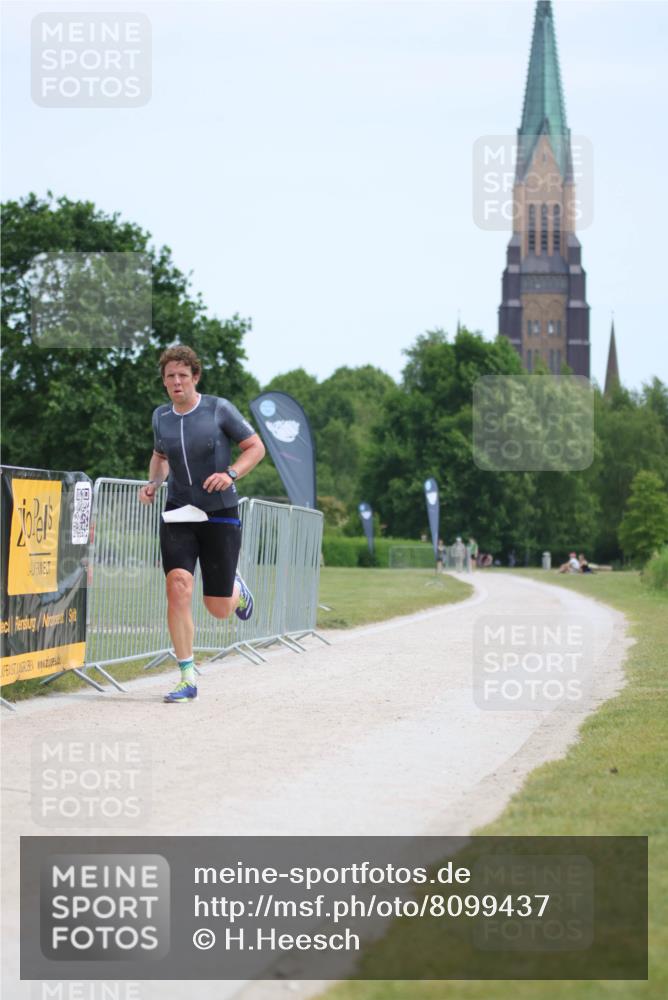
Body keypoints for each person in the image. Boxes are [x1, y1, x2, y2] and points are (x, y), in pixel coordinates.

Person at [138, 345, 265, 703]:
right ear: (164, 382)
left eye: (183, 375)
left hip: (219, 512)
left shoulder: (218, 409)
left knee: (218, 608)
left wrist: (231, 474)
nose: (176, 382)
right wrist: (154, 483)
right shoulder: (161, 416)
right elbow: (160, 456)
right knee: (178, 586)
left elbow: (255, 447)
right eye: (170, 376)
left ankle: (236, 589)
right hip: (179, 512)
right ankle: (187, 676)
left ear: (195, 377)